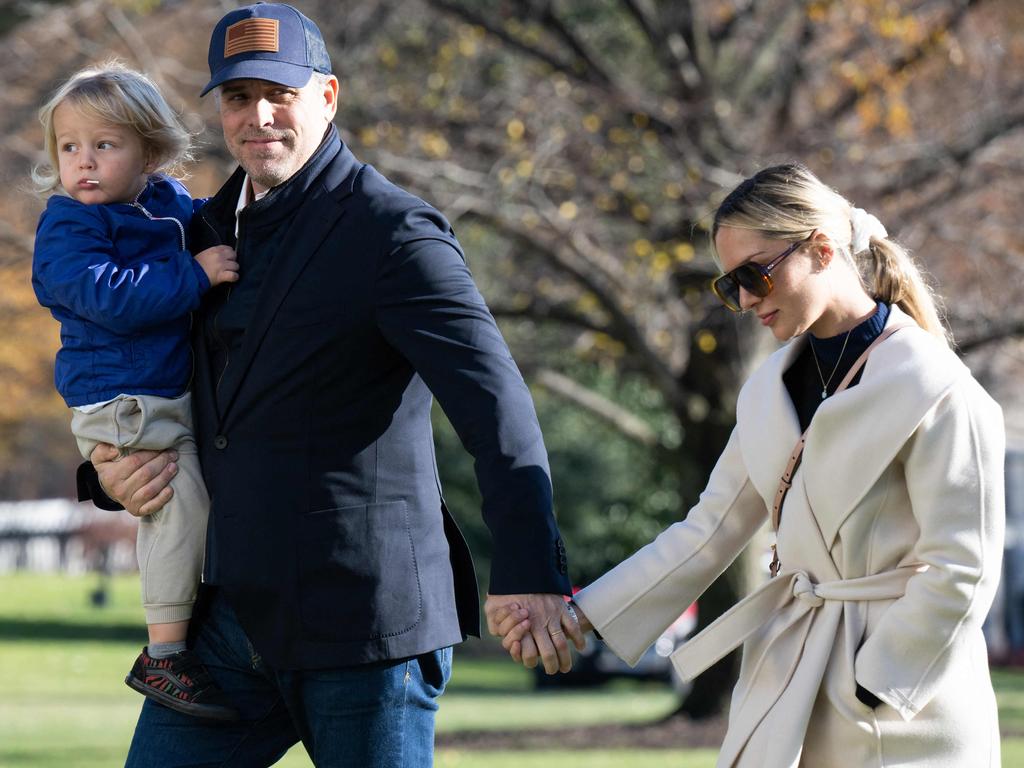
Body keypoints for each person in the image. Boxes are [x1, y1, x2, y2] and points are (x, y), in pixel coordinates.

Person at [76, 4, 584, 766]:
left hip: (367, 629)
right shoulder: (200, 234)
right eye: (239, 97)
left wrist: (530, 571)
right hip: (229, 621)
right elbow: (165, 386)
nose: (260, 116)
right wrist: (107, 474)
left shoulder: (394, 234)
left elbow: (496, 408)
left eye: (281, 92)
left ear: (328, 97)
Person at [493, 163, 1005, 766]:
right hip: (790, 681)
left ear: (819, 249)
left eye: (753, 275)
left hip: (905, 713)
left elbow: (964, 566)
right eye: (727, 284)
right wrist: (576, 616)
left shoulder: (938, 386)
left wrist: (877, 682)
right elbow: (707, 533)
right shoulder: (768, 391)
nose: (741, 300)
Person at [31, 64, 240, 721]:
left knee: (192, 499)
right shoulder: (69, 227)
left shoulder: (168, 204)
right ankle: (165, 654)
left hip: (159, 390)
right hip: (122, 399)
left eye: (104, 145)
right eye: (69, 148)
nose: (83, 163)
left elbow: (215, 224)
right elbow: (109, 297)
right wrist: (193, 276)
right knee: (180, 503)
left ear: (149, 152)